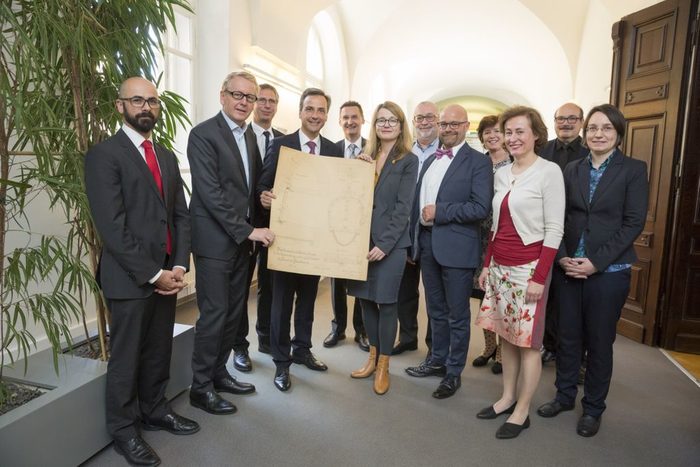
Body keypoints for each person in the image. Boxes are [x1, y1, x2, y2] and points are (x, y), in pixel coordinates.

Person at [85, 77, 198, 466]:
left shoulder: (165, 156)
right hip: (129, 279)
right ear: (120, 106)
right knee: (127, 357)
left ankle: (155, 410)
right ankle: (123, 431)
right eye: (137, 100)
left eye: (152, 101)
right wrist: (154, 273)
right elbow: (112, 228)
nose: (146, 107)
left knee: (158, 349)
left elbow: (180, 216)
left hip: (167, 274)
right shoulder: (104, 155)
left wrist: (178, 264)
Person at [537, 104, 648, 437]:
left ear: (618, 134)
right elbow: (557, 217)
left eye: (607, 128)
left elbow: (633, 223)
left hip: (609, 272)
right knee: (567, 337)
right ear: (586, 134)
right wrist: (562, 257)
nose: (599, 134)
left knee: (599, 342)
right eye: (594, 128)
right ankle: (564, 396)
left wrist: (596, 262)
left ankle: (593, 408)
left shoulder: (633, 169)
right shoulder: (572, 169)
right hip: (569, 268)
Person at [474, 106, 565, 439]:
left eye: (519, 132)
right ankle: (507, 397)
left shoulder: (549, 172)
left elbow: (554, 230)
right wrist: (487, 265)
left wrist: (540, 278)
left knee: (528, 344)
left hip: (529, 270)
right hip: (500, 266)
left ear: (536, 135)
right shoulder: (502, 173)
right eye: (508, 132)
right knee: (506, 336)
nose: (512, 138)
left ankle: (522, 411)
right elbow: (496, 226)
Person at [188, 71, 274, 415]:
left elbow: (248, 188)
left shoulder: (249, 135)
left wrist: (263, 198)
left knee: (233, 314)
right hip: (214, 243)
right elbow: (210, 194)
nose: (243, 102)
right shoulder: (203, 134)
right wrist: (248, 230)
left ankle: (219, 373)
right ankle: (200, 387)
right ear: (222, 95)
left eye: (250, 97)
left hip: (241, 244)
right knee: (214, 315)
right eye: (237, 95)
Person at [258, 87, 344, 392]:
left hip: (316, 243)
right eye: (310, 109)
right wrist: (264, 197)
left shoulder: (334, 150)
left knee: (308, 300)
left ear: (326, 115)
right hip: (285, 242)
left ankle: (303, 349)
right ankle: (282, 363)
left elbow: (341, 194)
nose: (315, 115)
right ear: (300, 111)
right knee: (281, 304)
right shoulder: (280, 145)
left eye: (321, 110)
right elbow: (263, 185)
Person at [405, 104, 493, 399]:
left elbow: (480, 208)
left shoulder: (478, 162)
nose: (448, 129)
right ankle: (437, 360)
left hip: (457, 247)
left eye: (455, 124)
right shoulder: (431, 160)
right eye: (444, 124)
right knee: (435, 311)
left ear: (466, 126)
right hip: (427, 245)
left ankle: (454, 372)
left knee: (457, 315)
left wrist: (440, 211)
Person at [347, 102, 418, 395]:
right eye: (381, 120)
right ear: (374, 125)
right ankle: (372, 359)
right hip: (361, 242)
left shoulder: (408, 160)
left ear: (401, 126)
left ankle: (384, 366)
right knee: (365, 301)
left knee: (387, 303)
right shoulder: (367, 157)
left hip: (391, 245)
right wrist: (357, 172)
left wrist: (385, 245)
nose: (386, 125)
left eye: (392, 120)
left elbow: (403, 208)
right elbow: (352, 200)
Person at [232, 83, 285, 372]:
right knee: (241, 289)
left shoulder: (284, 140)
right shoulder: (242, 135)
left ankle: (266, 338)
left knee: (271, 286)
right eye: (261, 100)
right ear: (254, 104)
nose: (266, 105)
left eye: (271, 101)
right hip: (246, 226)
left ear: (277, 105)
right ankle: (239, 345)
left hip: (277, 226)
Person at [538, 102, 589, 364]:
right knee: (548, 296)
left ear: (581, 122)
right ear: (554, 121)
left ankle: (576, 354)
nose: (566, 123)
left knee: (574, 302)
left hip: (576, 235)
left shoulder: (590, 151)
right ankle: (549, 345)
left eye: (572, 118)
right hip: (544, 233)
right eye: (561, 119)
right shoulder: (541, 150)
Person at [392, 101, 440, 356]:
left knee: (434, 295)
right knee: (405, 291)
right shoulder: (403, 150)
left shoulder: (446, 151)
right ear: (413, 121)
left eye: (429, 117)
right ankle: (408, 337)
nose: (424, 122)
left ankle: (434, 346)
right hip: (405, 232)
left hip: (434, 232)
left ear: (438, 120)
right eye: (419, 117)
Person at [324, 100, 370, 352]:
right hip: (336, 224)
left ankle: (361, 330)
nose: (350, 122)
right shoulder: (331, 149)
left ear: (362, 120)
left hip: (363, 226)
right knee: (337, 282)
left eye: (354, 117)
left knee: (360, 280)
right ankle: (338, 328)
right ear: (340, 121)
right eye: (345, 118)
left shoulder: (374, 148)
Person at [471, 115, 512, 375]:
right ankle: (488, 347)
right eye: (487, 132)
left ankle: (502, 351)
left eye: (497, 131)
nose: (492, 136)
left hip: (505, 234)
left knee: (502, 295)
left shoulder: (515, 163)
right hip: (479, 235)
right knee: (483, 293)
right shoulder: (479, 163)